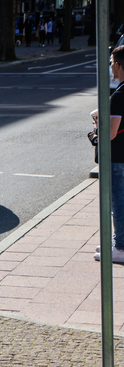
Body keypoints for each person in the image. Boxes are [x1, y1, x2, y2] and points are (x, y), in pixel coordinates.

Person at [95, 46, 124, 263]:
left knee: (118, 202)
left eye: (112, 62)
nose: (111, 66)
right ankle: (117, 241)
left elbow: (111, 133)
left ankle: (120, 248)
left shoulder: (119, 95)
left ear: (118, 65)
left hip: (117, 157)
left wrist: (98, 127)